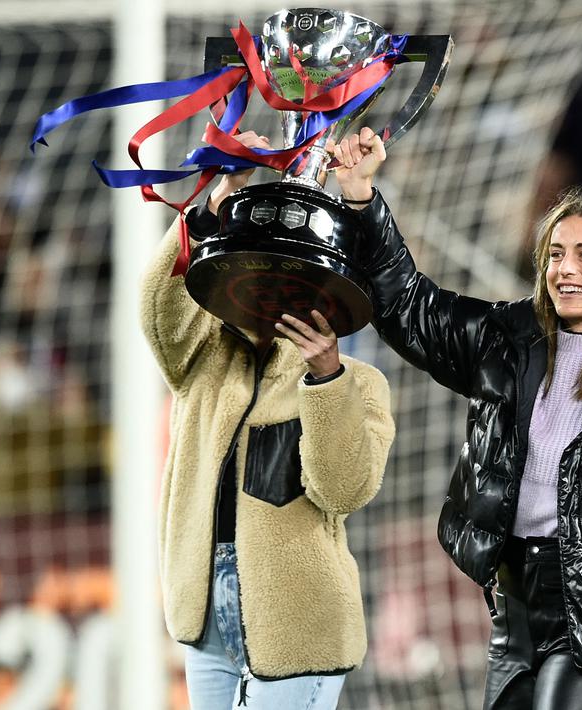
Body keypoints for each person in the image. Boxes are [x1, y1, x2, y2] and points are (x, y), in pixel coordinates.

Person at [331, 128, 582, 710]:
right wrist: (360, 197)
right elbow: (408, 306)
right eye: (555, 253)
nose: (564, 269)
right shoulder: (504, 341)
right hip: (514, 608)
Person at [139, 131, 396, 708]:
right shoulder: (201, 361)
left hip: (300, 627)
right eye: (255, 269)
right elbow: (156, 306)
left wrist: (325, 378)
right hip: (204, 621)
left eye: (286, 273)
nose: (268, 285)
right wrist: (224, 190)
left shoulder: (360, 383)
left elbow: (341, 489)